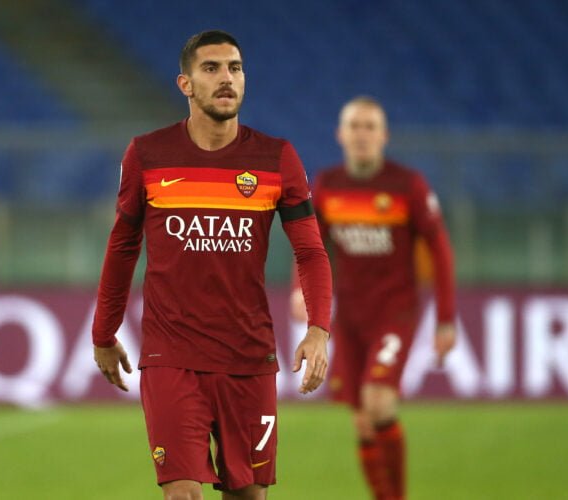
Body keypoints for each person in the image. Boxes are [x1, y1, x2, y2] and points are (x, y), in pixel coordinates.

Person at [92, 30, 332, 500]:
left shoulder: (276, 158)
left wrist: (319, 329)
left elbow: (311, 251)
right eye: (211, 68)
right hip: (172, 356)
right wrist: (104, 333)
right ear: (185, 84)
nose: (226, 78)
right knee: (182, 493)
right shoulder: (147, 155)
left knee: (248, 495)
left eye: (234, 68)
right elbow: (122, 247)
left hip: (249, 356)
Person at [291, 96, 457, 500]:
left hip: (395, 312)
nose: (362, 134)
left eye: (370, 127)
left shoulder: (407, 185)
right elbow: (311, 247)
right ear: (340, 134)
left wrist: (446, 319)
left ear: (384, 136)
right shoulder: (328, 185)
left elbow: (440, 250)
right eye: (355, 126)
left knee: (378, 402)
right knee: (363, 423)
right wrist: (300, 288)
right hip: (348, 317)